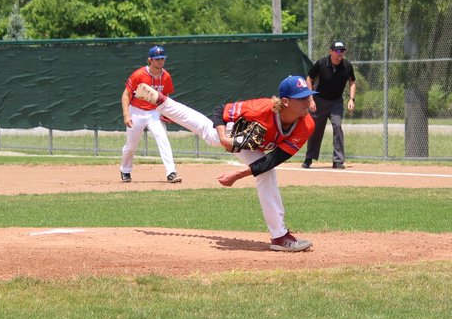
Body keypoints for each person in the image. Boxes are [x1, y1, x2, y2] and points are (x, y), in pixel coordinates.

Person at [134, 75, 317, 252]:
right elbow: (220, 111)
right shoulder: (259, 109)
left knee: (266, 172)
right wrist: (224, 138)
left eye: (308, 96)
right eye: (301, 98)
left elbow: (272, 160)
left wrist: (236, 175)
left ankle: (279, 236)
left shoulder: (306, 125)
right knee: (210, 133)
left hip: (252, 145)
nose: (307, 101)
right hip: (232, 132)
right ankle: (163, 102)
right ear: (285, 102)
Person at [121, 45, 182, 183]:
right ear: (150, 60)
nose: (160, 61)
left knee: (163, 139)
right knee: (131, 145)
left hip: (155, 112)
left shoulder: (166, 76)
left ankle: (171, 172)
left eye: (162, 58)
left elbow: (165, 95)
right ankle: (125, 170)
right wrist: (126, 114)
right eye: (157, 59)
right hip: (136, 111)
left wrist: (166, 111)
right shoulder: (138, 75)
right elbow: (126, 94)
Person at [303, 40, 356, 169]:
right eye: (337, 51)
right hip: (319, 101)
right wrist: (311, 99)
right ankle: (309, 158)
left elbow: (352, 81)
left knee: (337, 126)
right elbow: (309, 78)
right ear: (331, 52)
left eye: (342, 51)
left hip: (336, 102)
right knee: (315, 130)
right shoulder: (321, 64)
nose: (340, 54)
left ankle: (338, 160)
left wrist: (351, 99)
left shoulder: (347, 66)